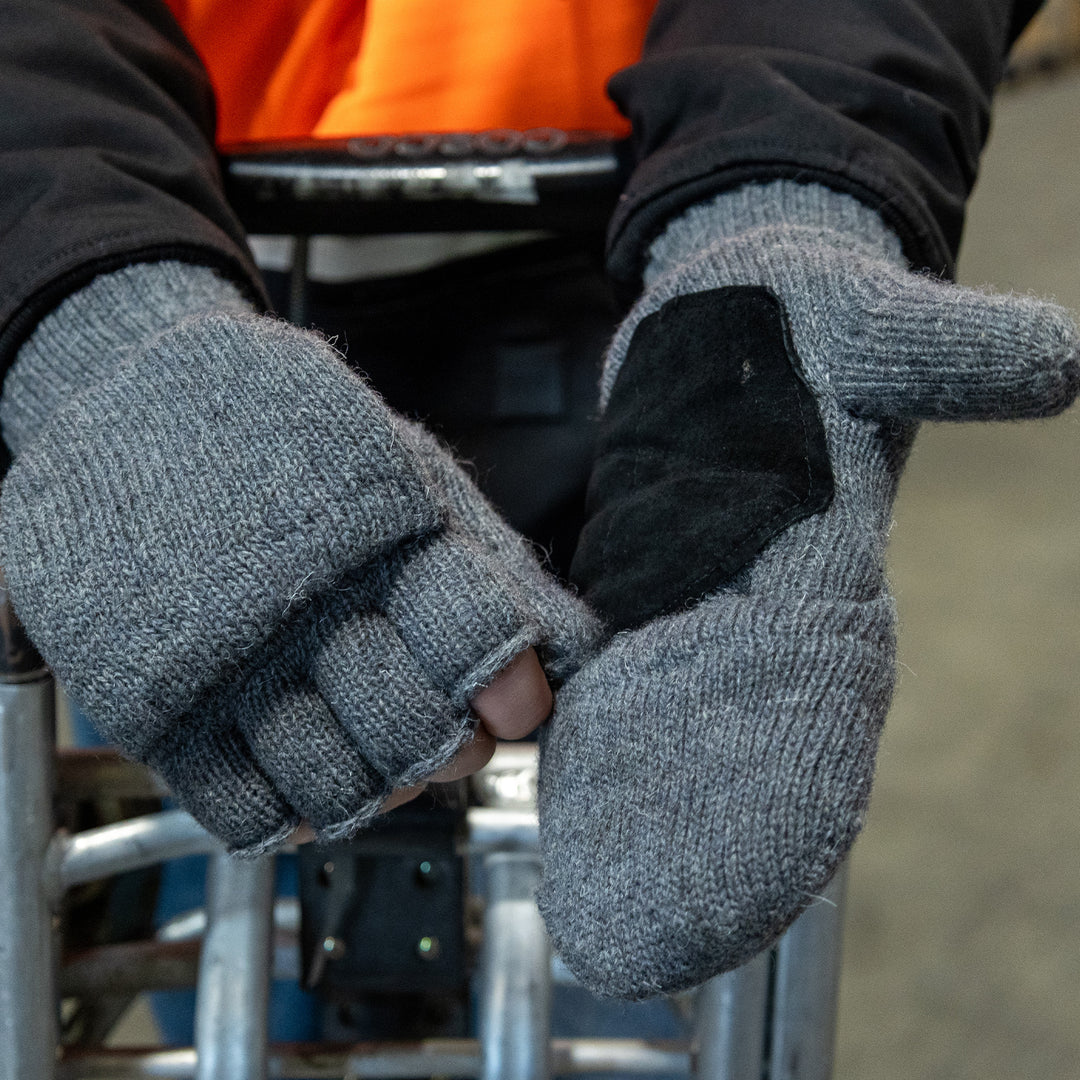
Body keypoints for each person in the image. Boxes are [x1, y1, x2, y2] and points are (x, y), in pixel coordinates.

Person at [0, 0, 1077, 1008]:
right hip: (148, 228)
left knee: (657, 844)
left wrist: (785, 186)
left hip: (631, 234)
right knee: (240, 855)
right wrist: (84, 300)